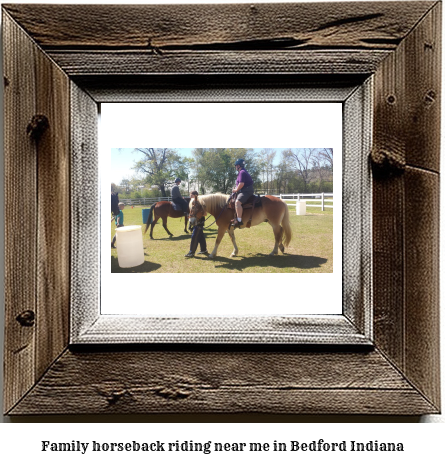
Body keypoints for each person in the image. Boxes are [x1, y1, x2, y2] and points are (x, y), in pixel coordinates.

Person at [185, 191, 208, 258]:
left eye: (191, 195)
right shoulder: (193, 203)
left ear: (195, 195)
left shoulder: (200, 202)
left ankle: (191, 252)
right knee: (201, 236)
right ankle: (204, 249)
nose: (190, 196)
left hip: (199, 222)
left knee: (194, 236)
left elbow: (205, 213)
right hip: (196, 221)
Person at [232, 158, 254, 228]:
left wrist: (235, 190)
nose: (235, 167)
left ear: (239, 166)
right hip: (245, 190)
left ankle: (239, 220)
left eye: (236, 165)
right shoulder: (243, 171)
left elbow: (241, 184)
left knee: (237, 202)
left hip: (246, 191)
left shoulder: (241, 172)